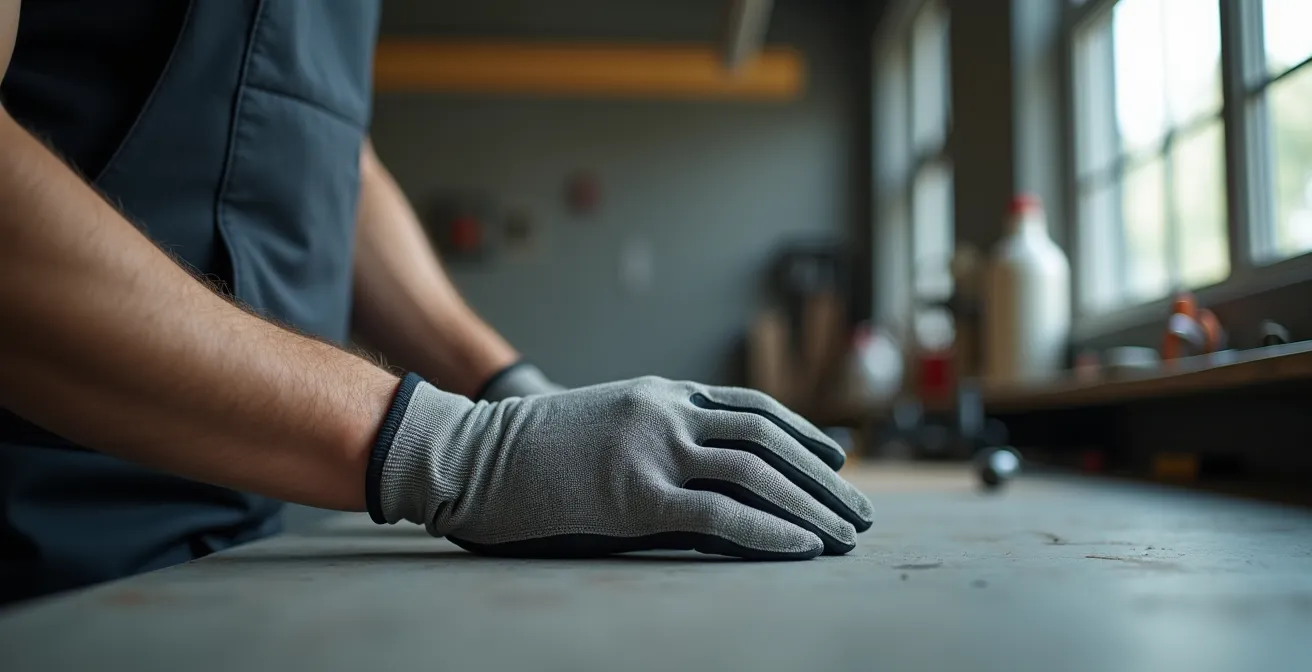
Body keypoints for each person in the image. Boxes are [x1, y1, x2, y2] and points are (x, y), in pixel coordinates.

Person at [0, 0, 873, 605]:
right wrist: (451, 450)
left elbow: (321, 155)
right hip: (38, 545)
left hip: (235, 541)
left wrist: (509, 390)